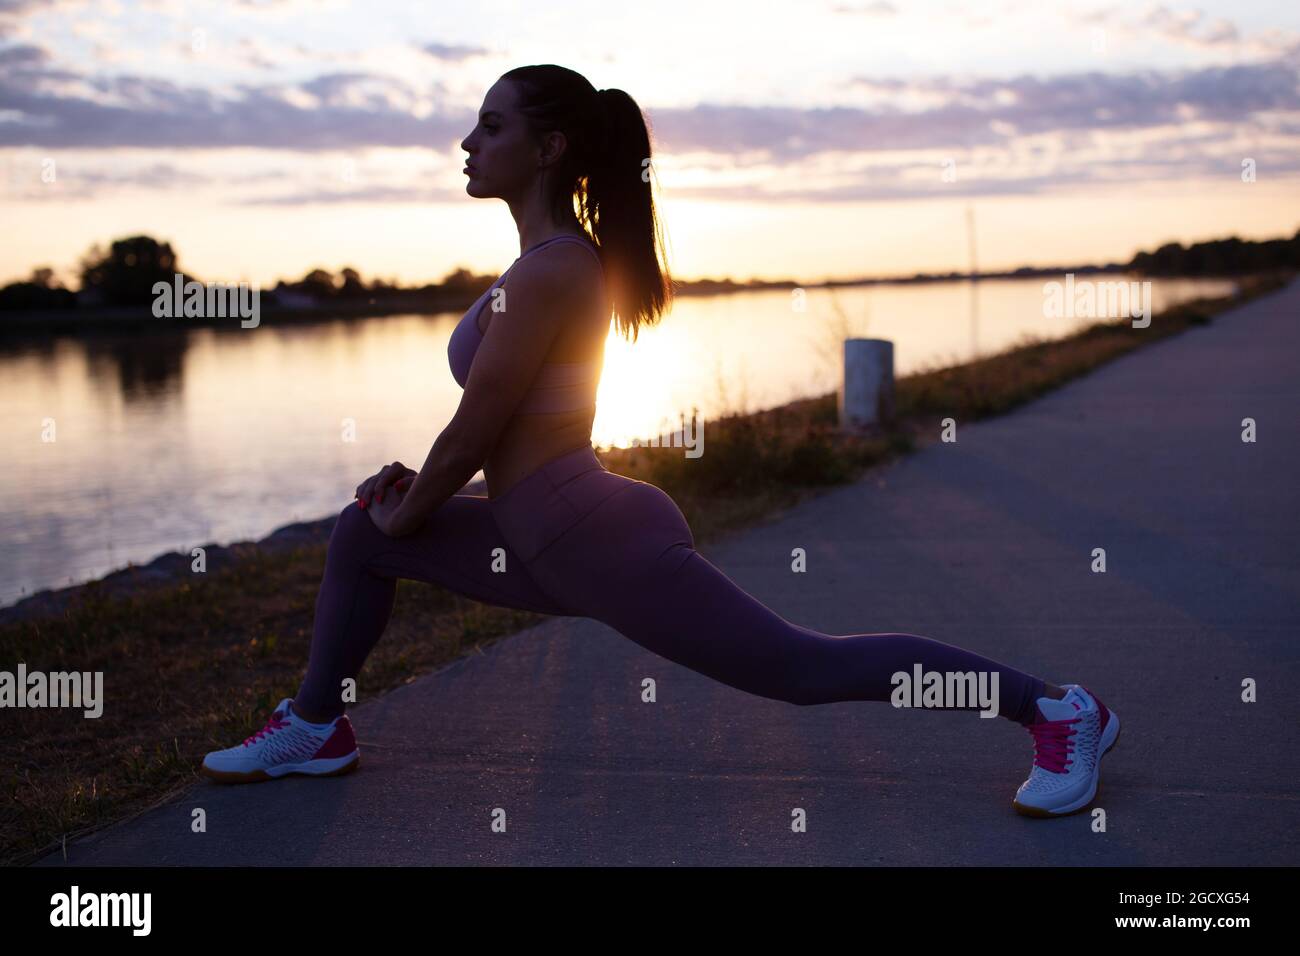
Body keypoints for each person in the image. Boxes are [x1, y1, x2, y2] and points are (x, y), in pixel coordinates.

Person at [201, 65, 1120, 818]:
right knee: (360, 533)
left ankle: (1057, 709)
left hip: (587, 536)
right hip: (542, 532)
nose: (468, 143)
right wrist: (407, 503)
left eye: (490, 126)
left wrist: (420, 509)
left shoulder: (558, 268)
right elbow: (495, 425)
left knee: (803, 668)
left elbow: (479, 423)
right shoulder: (538, 265)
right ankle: (318, 725)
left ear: (548, 147)